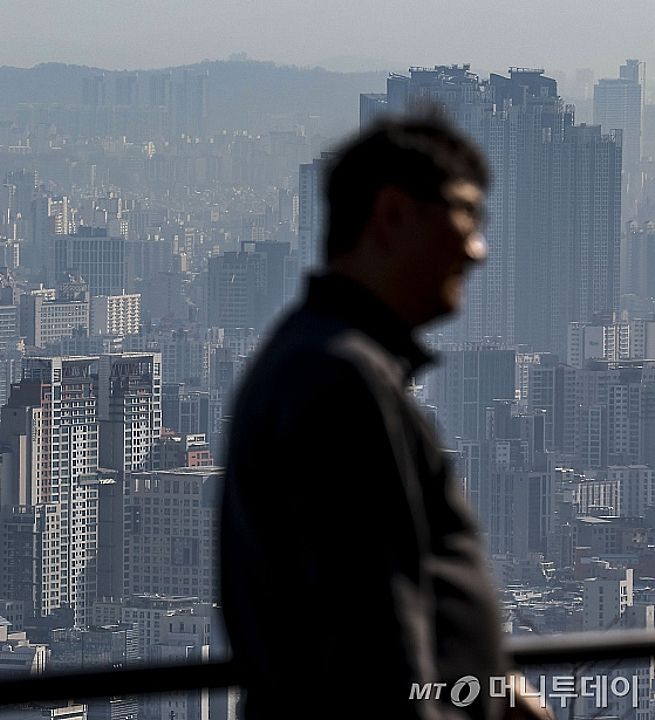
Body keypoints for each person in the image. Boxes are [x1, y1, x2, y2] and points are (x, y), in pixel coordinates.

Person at [220, 114, 515, 719]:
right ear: (392, 215)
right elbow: (371, 642)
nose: (476, 251)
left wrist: (488, 686)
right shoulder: (339, 382)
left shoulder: (328, 359)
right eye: (466, 216)